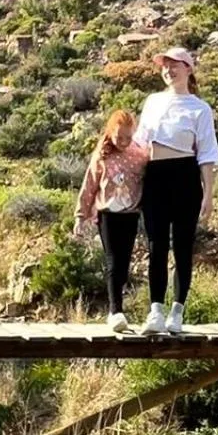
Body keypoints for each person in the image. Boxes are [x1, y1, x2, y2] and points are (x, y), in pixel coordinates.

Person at [135, 46, 218, 335]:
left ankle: (177, 312)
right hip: (155, 175)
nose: (168, 70)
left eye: (175, 65)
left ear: (188, 69)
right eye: (165, 66)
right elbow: (138, 143)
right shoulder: (153, 101)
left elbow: (207, 154)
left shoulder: (199, 108)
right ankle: (155, 311)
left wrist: (208, 195)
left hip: (185, 176)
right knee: (156, 246)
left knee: (182, 247)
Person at [74, 108, 148, 333]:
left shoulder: (140, 154)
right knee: (113, 261)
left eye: (128, 137)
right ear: (110, 132)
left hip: (130, 214)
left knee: (124, 264)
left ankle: (117, 308)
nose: (124, 142)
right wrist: (80, 216)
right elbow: (90, 184)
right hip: (107, 215)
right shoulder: (103, 154)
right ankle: (115, 312)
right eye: (119, 137)